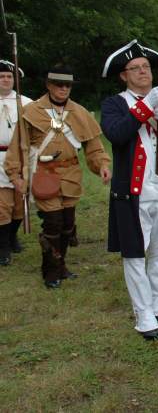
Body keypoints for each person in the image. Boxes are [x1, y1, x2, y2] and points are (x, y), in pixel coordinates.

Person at [100, 40, 158, 341]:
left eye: (146, 67)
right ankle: (142, 314)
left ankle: (155, 301)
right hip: (134, 193)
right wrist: (144, 107)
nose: (143, 72)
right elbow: (117, 133)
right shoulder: (115, 104)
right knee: (134, 254)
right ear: (123, 76)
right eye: (135, 68)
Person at [5, 64, 111, 288]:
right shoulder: (31, 111)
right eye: (59, 84)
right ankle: (50, 271)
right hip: (43, 174)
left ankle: (61, 265)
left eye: (68, 85)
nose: (64, 89)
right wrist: (15, 176)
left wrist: (102, 164)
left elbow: (94, 147)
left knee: (67, 225)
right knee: (52, 223)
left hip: (71, 175)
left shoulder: (79, 113)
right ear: (49, 85)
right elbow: (18, 146)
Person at [0, 60, 31, 265]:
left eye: (9, 76)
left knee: (20, 205)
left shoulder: (27, 103)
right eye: (1, 77)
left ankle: (12, 237)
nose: (5, 80)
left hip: (20, 158)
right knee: (3, 206)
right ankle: (2, 247)